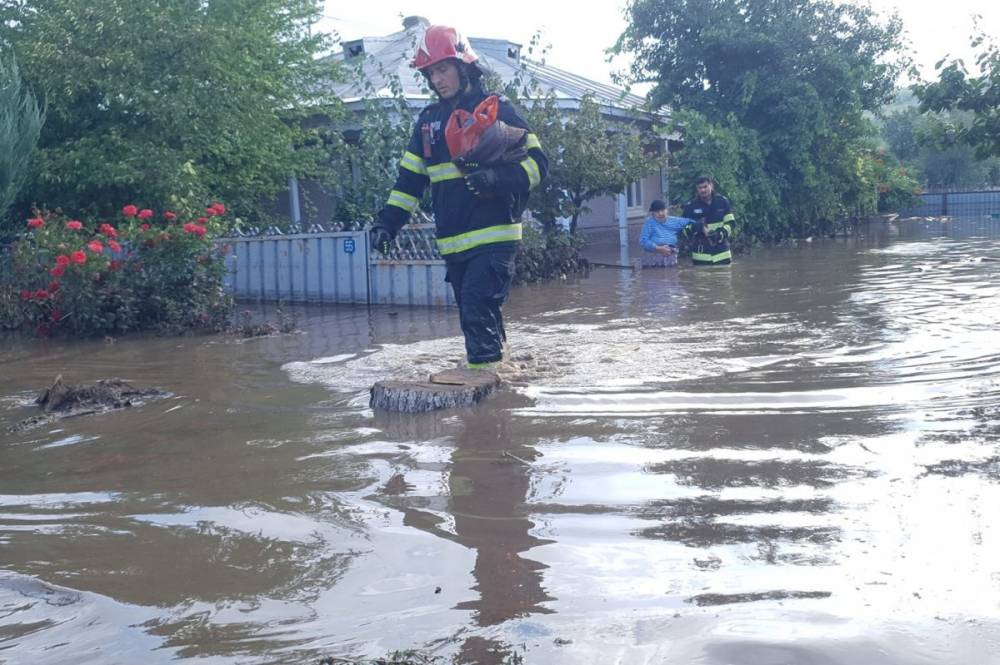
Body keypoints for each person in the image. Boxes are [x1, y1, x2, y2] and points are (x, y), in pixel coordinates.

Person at [369, 25, 548, 371]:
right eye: (431, 72)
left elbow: (539, 164)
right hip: (454, 246)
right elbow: (409, 182)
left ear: (463, 66)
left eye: (443, 69)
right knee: (480, 316)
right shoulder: (427, 123)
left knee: (475, 311)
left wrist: (496, 178)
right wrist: (386, 224)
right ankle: (505, 383)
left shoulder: (496, 109)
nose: (437, 79)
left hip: (494, 239)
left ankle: (483, 410)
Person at [680, 176, 736, 266]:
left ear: (711, 186)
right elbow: (683, 230)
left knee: (724, 279)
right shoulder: (690, 206)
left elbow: (731, 223)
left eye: (705, 187)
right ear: (697, 189)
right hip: (701, 256)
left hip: (722, 255)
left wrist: (720, 233)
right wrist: (696, 227)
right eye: (700, 188)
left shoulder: (722, 202)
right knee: (702, 280)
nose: (703, 190)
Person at [638, 199, 690, 267]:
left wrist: (701, 226)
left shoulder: (675, 221)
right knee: (652, 276)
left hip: (670, 258)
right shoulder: (649, 222)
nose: (660, 213)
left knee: (671, 275)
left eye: (662, 210)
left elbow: (691, 222)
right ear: (652, 213)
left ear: (667, 210)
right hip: (652, 260)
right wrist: (659, 248)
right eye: (657, 211)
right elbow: (643, 241)